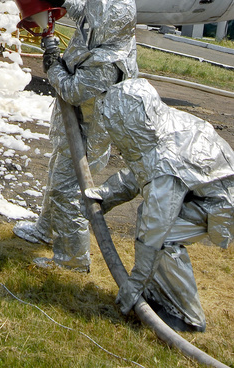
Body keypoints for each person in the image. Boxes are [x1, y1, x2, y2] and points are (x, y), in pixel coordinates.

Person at [85, 77, 234, 332]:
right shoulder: (162, 125)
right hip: (203, 190)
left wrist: (134, 283)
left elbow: (156, 228)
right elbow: (142, 171)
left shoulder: (166, 161)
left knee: (163, 240)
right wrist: (105, 195)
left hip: (221, 203)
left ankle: (188, 316)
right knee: (149, 220)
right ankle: (158, 297)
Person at [13, 0, 138, 271]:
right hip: (75, 126)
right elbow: (88, 13)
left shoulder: (110, 63)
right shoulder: (112, 34)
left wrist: (53, 64)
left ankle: (74, 259)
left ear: (107, 23)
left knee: (67, 192)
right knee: (56, 177)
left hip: (88, 136)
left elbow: (71, 90)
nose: (86, 21)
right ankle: (44, 229)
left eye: (94, 17)